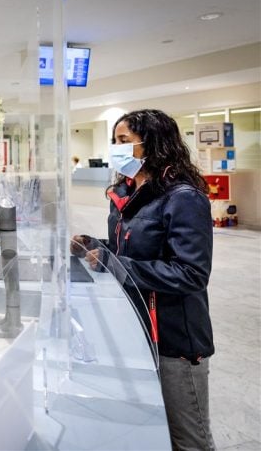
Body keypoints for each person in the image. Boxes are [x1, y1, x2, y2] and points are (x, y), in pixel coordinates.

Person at [71, 109, 215, 450]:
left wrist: (114, 263)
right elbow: (130, 250)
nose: (116, 148)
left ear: (152, 143)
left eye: (124, 141)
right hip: (137, 331)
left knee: (188, 439)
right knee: (154, 432)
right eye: (114, 141)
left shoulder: (183, 198)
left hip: (175, 338)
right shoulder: (126, 193)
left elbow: (191, 273)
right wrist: (94, 246)